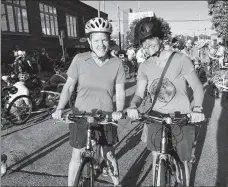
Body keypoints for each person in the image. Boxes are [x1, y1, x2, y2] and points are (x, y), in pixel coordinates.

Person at [126, 17, 205, 186]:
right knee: (157, 156)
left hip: (181, 116)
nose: (147, 45)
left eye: (150, 39)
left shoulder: (180, 59)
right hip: (156, 116)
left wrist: (197, 108)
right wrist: (133, 105)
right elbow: (139, 93)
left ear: (160, 38)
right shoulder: (145, 66)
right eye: (143, 42)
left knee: (183, 161)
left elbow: (198, 87)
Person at [52, 17, 125, 186]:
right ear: (90, 42)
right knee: (76, 156)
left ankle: (117, 184)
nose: (101, 44)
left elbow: (120, 91)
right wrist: (59, 108)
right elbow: (69, 86)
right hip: (81, 114)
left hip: (106, 115)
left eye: (104, 39)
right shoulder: (79, 59)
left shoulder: (117, 63)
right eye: (97, 40)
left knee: (109, 154)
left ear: (109, 41)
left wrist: (119, 110)